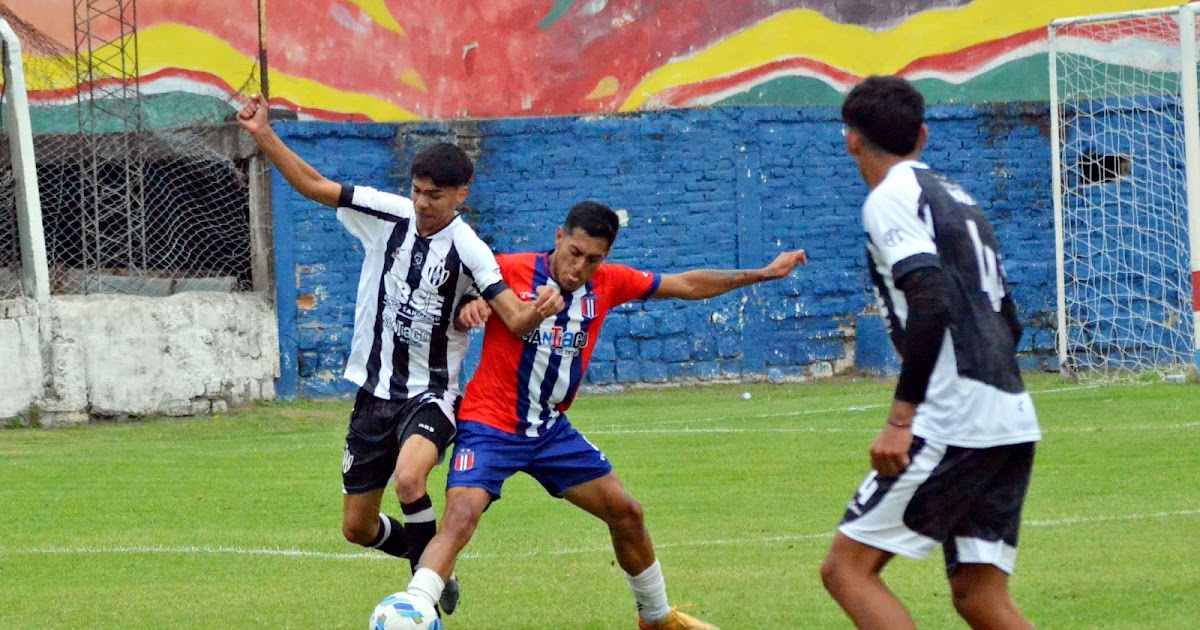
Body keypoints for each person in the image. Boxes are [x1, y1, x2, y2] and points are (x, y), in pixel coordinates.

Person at [400, 200, 807, 629]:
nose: (579, 268)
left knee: (626, 511)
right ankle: (411, 611)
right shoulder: (507, 269)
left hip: (550, 431)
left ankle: (656, 618)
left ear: (606, 257)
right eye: (574, 253)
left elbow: (686, 284)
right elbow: (456, 294)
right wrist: (470, 307)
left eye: (593, 259)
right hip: (489, 425)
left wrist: (761, 274)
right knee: (461, 517)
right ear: (559, 237)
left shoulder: (609, 283)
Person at [236, 94, 563, 614]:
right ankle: (433, 561)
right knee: (357, 528)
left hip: (430, 395)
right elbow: (314, 186)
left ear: (461, 194)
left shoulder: (470, 250)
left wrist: (543, 305)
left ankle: (425, 591)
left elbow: (515, 317)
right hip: (372, 394)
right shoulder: (389, 217)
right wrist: (264, 135)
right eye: (417, 191)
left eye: (435, 195)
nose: (422, 203)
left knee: (411, 479)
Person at [818, 75, 1042, 630]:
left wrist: (902, 419)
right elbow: (1006, 318)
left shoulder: (890, 199)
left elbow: (931, 298)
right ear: (923, 135)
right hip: (1010, 413)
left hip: (952, 419)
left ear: (851, 140)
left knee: (847, 569)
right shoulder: (957, 198)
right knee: (979, 596)